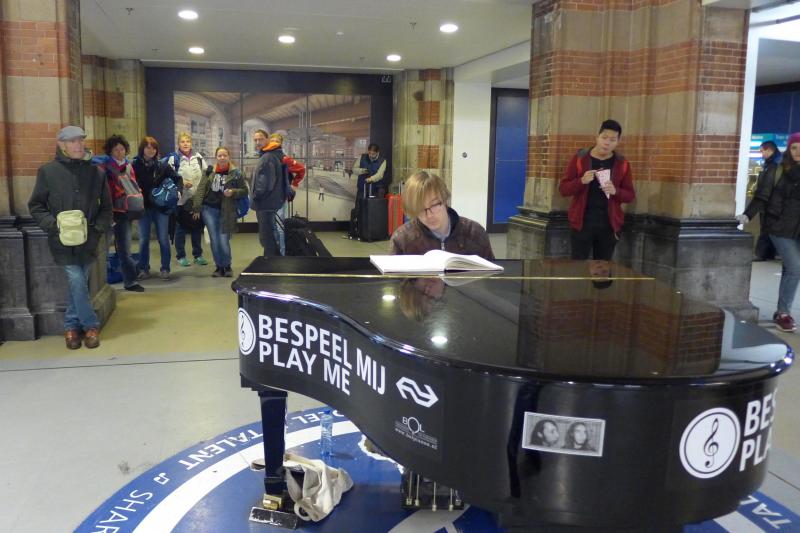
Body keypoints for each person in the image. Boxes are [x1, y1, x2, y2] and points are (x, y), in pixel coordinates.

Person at [28, 125, 113, 349]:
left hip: (88, 241)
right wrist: (53, 226)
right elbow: (36, 206)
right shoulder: (48, 172)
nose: (78, 145)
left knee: (79, 283)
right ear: (62, 145)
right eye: (73, 141)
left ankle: (71, 326)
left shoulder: (97, 173)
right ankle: (91, 325)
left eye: (81, 140)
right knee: (77, 280)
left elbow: (107, 207)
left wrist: (97, 229)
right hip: (61, 241)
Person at [742, 132, 800, 332]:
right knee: (795, 268)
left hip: (798, 230)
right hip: (779, 227)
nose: (798, 151)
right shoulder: (777, 169)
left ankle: (781, 311)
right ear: (788, 149)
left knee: (790, 269)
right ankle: (783, 314)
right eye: (794, 147)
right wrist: (747, 215)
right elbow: (762, 195)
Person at [559, 119, 636, 260]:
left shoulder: (622, 163)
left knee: (603, 268)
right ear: (597, 137)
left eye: (612, 140)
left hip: (609, 225)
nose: (607, 143)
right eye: (604, 138)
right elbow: (563, 189)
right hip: (582, 223)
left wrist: (616, 191)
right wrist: (581, 181)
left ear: (618, 142)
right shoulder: (580, 158)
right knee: (578, 266)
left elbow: (630, 195)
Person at [389, 171, 494, 259]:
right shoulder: (402, 240)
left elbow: (493, 274)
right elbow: (393, 277)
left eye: (434, 205)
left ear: (445, 201)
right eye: (420, 209)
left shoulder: (474, 233)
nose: (429, 215)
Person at [95, 134, 145, 292]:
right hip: (108, 211)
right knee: (102, 249)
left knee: (125, 249)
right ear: (110, 151)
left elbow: (133, 186)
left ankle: (130, 282)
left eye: (122, 149)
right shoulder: (103, 166)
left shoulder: (129, 166)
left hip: (124, 212)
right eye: (115, 150)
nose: (119, 152)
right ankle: (100, 283)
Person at [191, 146, 249, 277]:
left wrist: (233, 192)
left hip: (226, 210)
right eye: (219, 156)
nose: (222, 158)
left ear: (229, 157)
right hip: (209, 210)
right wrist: (197, 207)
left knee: (223, 240)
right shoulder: (209, 171)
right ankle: (219, 267)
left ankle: (227, 266)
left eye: (225, 155)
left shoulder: (236, 173)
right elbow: (201, 190)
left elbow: (245, 191)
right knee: (214, 239)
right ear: (216, 157)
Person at [132, 136, 182, 281]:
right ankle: (143, 269)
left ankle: (165, 268)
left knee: (163, 239)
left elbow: (178, 178)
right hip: (143, 208)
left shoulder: (162, 165)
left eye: (154, 148)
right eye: (148, 147)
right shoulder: (134, 165)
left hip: (161, 208)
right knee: (143, 240)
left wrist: (178, 191)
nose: (151, 150)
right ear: (142, 148)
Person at [162, 132, 208, 267]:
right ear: (178, 144)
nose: (185, 144)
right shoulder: (173, 159)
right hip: (180, 200)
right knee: (180, 229)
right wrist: (181, 183)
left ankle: (198, 255)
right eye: (182, 141)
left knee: (196, 227)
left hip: (196, 199)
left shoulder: (198, 157)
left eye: (188, 141)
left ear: (191, 143)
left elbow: (206, 176)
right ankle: (181, 256)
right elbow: (167, 178)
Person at [741, 141, 780, 262]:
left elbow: (765, 190)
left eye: (762, 151)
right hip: (772, 204)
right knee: (769, 229)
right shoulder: (771, 164)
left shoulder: (774, 165)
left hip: (772, 204)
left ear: (770, 150)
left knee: (766, 229)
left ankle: (761, 254)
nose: (761, 154)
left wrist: (748, 214)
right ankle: (769, 254)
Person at [267, 132, 305, 256]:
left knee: (280, 227)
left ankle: (282, 255)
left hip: (280, 197)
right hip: (268, 198)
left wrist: (294, 185)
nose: (274, 143)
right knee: (271, 227)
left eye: (277, 141)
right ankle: (274, 253)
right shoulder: (267, 158)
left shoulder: (285, 159)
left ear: (281, 144)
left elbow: (301, 169)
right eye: (272, 141)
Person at [251, 129, 287, 256]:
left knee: (267, 237)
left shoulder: (267, 157)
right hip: (270, 203)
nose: (257, 142)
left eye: (260, 139)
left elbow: (265, 184)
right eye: (255, 140)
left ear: (267, 139)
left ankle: (271, 261)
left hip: (265, 204)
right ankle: (273, 259)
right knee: (270, 234)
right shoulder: (270, 155)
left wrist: (256, 196)